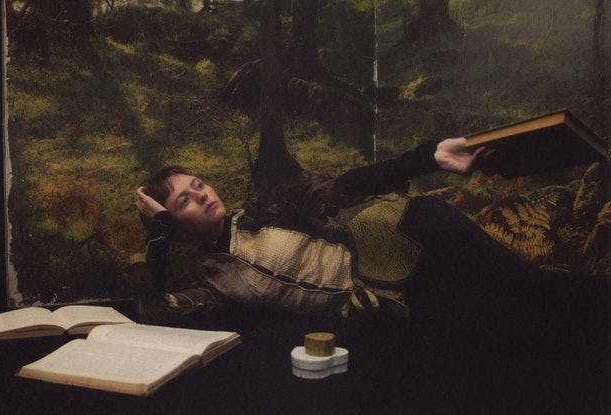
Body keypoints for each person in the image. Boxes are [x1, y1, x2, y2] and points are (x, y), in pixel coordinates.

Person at [133, 137, 597, 330]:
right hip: (388, 300)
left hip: (399, 240)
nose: (201, 196)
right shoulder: (213, 281)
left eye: (199, 184)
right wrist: (159, 235)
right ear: (173, 224)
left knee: (530, 286)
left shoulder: (265, 209)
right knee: (513, 319)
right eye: (183, 202)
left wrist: (428, 158)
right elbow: (155, 309)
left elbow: (344, 186)